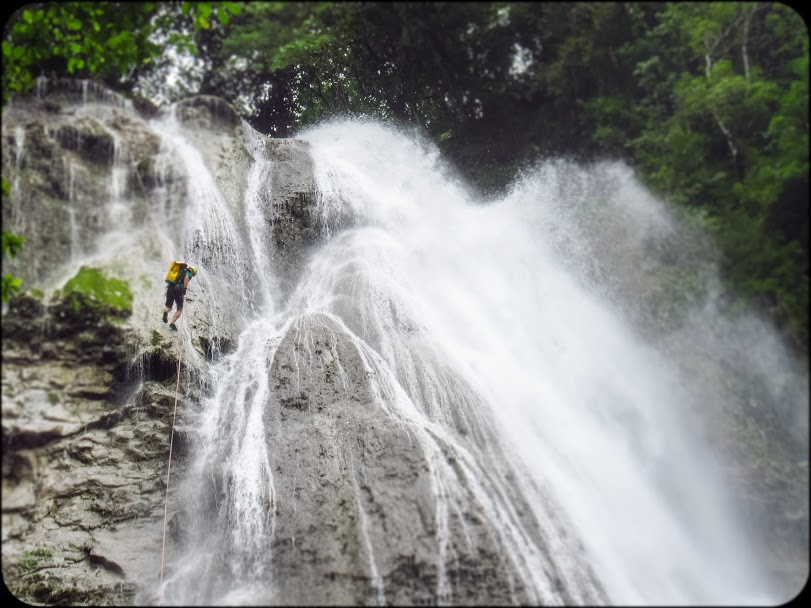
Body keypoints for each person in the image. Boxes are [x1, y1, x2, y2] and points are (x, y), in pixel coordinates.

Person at [163, 264, 197, 330]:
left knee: (169, 306)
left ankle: (165, 312)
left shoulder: (180, 270)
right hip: (178, 289)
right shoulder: (188, 272)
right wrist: (184, 288)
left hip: (171, 288)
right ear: (193, 271)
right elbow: (186, 278)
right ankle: (172, 323)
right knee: (179, 309)